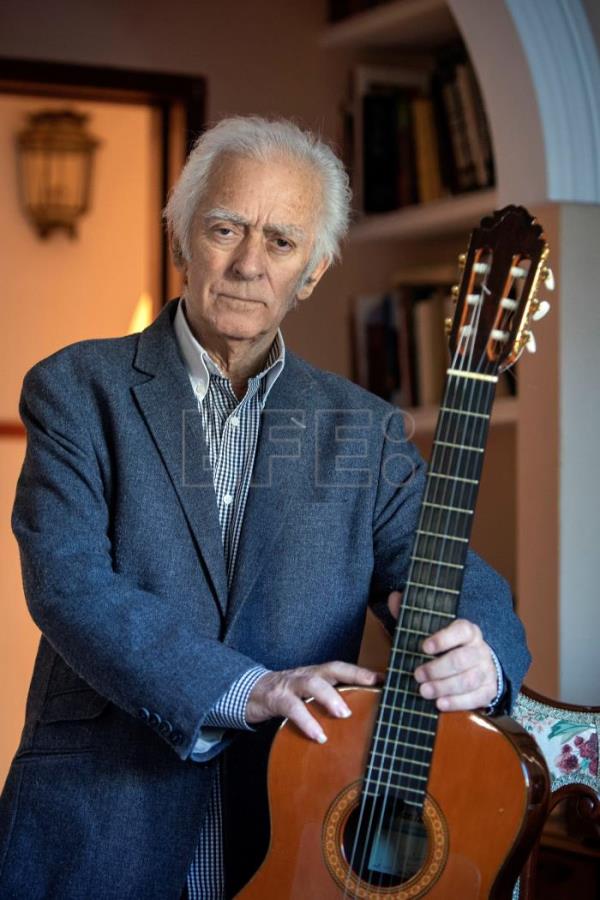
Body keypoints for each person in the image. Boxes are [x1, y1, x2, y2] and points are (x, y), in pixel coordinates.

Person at [0, 116, 530, 900]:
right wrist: (245, 687)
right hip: (101, 823)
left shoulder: (365, 429)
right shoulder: (76, 390)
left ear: (311, 274)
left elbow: (453, 574)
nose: (249, 264)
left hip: (297, 833)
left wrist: (483, 653)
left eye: (282, 242)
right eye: (225, 229)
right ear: (182, 240)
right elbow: (69, 585)